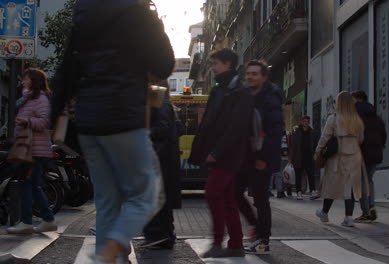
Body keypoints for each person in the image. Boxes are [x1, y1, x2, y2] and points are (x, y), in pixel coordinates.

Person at [52, 1, 175, 263]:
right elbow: (164, 65)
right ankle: (107, 254)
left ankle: (108, 256)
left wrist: (52, 116)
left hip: (88, 122)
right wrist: (155, 24)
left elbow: (65, 71)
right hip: (123, 117)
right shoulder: (138, 12)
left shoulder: (83, 13)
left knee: (108, 204)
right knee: (148, 196)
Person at [188, 48, 254, 258]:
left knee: (213, 193)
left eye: (215, 63)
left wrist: (216, 151)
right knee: (227, 198)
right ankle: (235, 244)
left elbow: (236, 127)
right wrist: (200, 150)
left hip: (229, 154)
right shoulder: (219, 90)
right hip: (218, 153)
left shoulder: (240, 92)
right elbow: (208, 123)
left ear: (227, 64)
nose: (213, 68)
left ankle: (218, 241)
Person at [235, 60, 284, 254]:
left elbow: (275, 131)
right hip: (247, 155)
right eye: (248, 74)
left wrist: (263, 157)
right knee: (235, 191)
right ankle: (257, 227)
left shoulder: (270, 98)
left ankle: (263, 240)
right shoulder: (248, 96)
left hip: (262, 156)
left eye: (254, 74)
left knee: (261, 199)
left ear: (264, 77)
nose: (250, 77)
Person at [7, 68, 58, 235]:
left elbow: (45, 121)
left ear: (34, 81)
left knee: (26, 184)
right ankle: (48, 219)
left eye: (26, 79)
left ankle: (27, 222)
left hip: (34, 150)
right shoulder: (27, 99)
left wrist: (26, 120)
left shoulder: (40, 99)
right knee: (32, 185)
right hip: (29, 149)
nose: (23, 81)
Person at [314, 91, 366, 227]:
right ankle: (348, 217)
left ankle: (324, 213)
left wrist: (318, 151)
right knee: (350, 188)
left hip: (337, 156)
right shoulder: (357, 120)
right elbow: (361, 139)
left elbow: (324, 137)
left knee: (331, 185)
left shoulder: (334, 118)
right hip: (353, 156)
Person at [142, 86, 182, 250]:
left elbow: (163, 128)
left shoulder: (160, 101)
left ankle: (159, 234)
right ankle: (163, 235)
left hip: (159, 158)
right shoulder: (161, 101)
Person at [351, 90, 387, 222]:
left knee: (361, 182)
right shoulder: (375, 115)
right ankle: (371, 206)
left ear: (357, 99)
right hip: (376, 152)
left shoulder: (355, 114)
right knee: (369, 180)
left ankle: (366, 212)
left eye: (352, 99)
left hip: (362, 151)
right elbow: (383, 134)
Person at [289, 116, 319, 200]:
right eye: (304, 121)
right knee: (298, 175)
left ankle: (313, 191)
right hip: (299, 157)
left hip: (309, 157)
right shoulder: (296, 131)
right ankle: (299, 192)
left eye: (307, 121)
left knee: (311, 174)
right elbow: (293, 145)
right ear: (301, 122)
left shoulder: (311, 132)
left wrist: (315, 154)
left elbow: (315, 144)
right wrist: (291, 158)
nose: (306, 123)